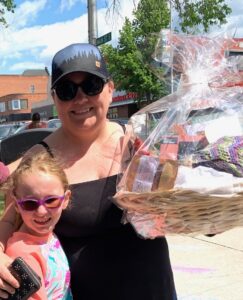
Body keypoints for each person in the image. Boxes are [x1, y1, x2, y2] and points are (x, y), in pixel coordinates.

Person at [0, 43, 177, 300]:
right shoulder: (40, 158)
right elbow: (8, 218)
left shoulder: (139, 143)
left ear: (110, 88)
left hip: (155, 291)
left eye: (92, 85)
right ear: (54, 98)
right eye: (67, 90)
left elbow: (186, 201)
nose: (80, 98)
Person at [2, 150, 73, 299]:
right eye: (29, 203)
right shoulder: (23, 254)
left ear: (65, 199)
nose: (41, 211)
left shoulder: (46, 236)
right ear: (16, 205)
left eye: (51, 200)